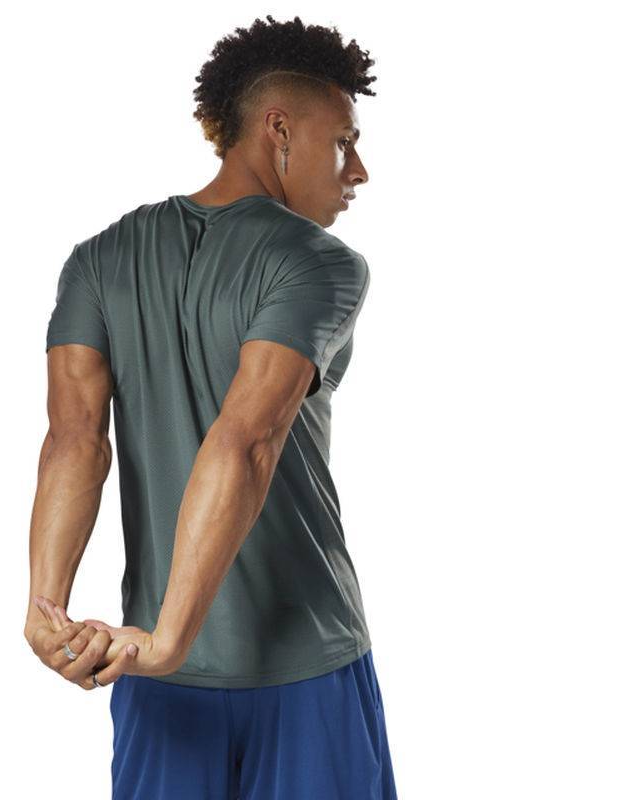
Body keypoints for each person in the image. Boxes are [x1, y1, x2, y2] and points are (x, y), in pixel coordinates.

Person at [25, 14, 398, 800]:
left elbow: (74, 440)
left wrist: (44, 609)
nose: (358, 169)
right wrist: (165, 642)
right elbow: (248, 441)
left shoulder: (99, 258)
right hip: (299, 665)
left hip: (157, 674)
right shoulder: (321, 262)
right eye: (343, 141)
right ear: (278, 130)